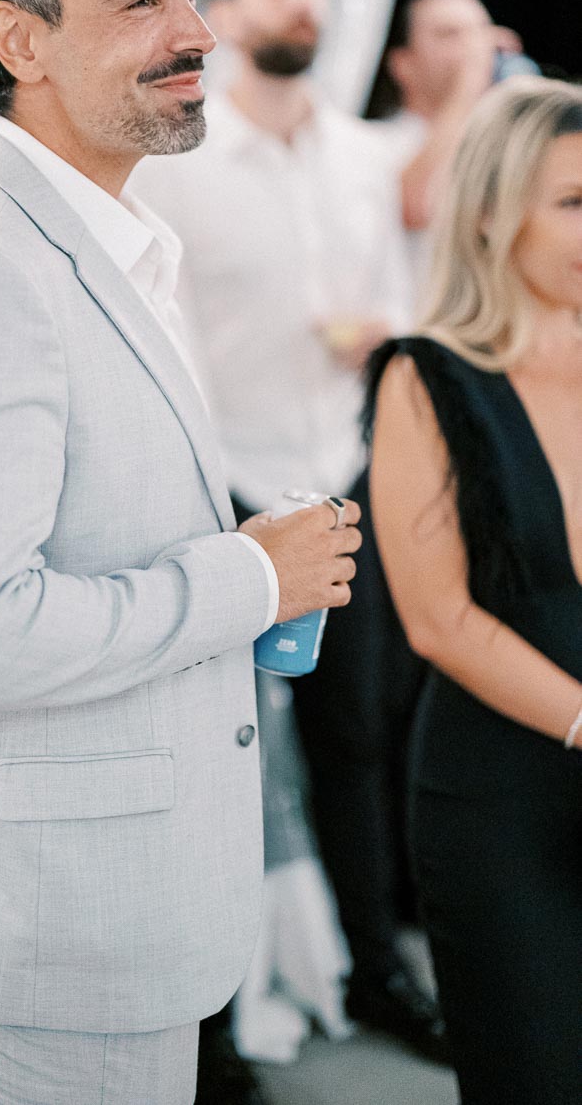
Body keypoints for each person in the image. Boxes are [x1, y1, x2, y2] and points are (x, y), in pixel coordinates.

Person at [0, 0, 361, 1105]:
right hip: (71, 911)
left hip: (120, 883)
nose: (199, 33)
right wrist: (250, 576)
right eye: (143, 0)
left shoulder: (100, 232)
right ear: (19, 41)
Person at [130, 0, 447, 1061]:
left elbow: (412, 291)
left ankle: (376, 971)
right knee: (215, 758)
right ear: (225, 9)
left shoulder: (365, 155)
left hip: (343, 482)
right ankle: (213, 1030)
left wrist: (385, 332)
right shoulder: (176, 159)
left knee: (356, 738)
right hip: (220, 489)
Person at [365, 76, 582, 1104]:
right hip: (503, 808)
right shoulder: (426, 379)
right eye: (573, 202)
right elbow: (439, 619)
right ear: (492, 213)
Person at [372, 0, 526, 288]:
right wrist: (466, 89)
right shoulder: (375, 142)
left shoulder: (500, 148)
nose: (475, 47)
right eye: (450, 34)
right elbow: (414, 206)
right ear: (403, 64)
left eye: (481, 32)